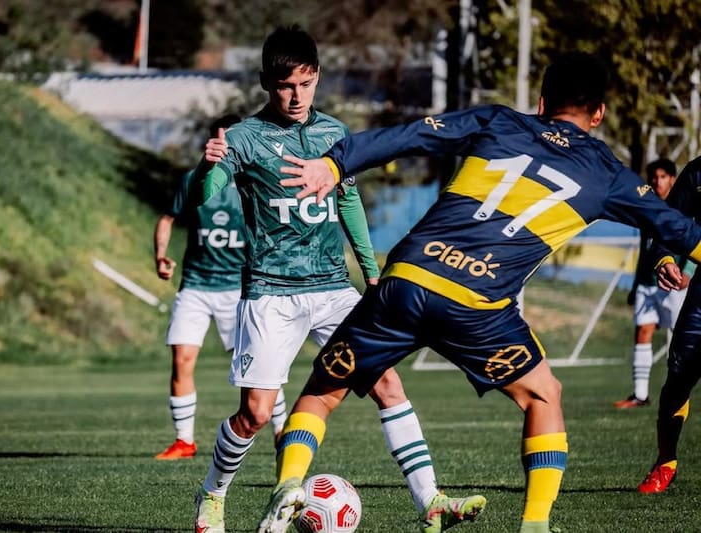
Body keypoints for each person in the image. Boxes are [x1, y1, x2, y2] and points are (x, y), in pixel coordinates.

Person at [256, 52, 701, 533]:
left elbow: (410, 135)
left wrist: (334, 162)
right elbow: (682, 231)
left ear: (542, 101)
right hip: (478, 307)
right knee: (542, 396)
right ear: (599, 114)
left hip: (407, 281)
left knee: (323, 392)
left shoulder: (496, 120)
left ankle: (290, 486)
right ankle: (534, 525)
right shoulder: (609, 174)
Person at [193, 25, 484, 533]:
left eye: (305, 83)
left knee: (388, 383)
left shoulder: (333, 134)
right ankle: (213, 496)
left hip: (332, 288)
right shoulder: (241, 138)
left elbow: (345, 198)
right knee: (256, 415)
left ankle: (431, 501)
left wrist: (370, 268)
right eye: (286, 85)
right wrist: (206, 168)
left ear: (317, 78)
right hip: (270, 292)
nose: (297, 95)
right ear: (267, 82)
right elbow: (207, 194)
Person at [153, 114, 288, 460]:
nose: (225, 148)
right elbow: (167, 219)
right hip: (195, 287)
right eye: (220, 141)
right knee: (182, 358)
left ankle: (280, 431)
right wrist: (160, 256)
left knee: (257, 366)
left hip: (237, 289)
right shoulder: (194, 180)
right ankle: (184, 441)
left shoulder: (255, 183)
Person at [637, 155, 701, 493]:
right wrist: (663, 258)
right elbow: (666, 223)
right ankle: (666, 463)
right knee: (678, 378)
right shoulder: (696, 173)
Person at [614, 158, 692, 409]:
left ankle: (682, 394)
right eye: (654, 177)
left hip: (675, 282)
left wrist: (688, 270)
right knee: (643, 332)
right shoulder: (647, 207)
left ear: (672, 178)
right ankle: (640, 395)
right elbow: (646, 250)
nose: (657, 182)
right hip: (648, 283)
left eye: (662, 177)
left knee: (684, 340)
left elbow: (694, 237)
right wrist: (637, 284)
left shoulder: (683, 204)